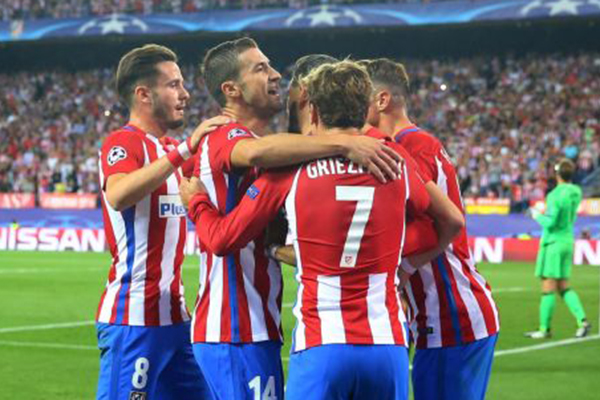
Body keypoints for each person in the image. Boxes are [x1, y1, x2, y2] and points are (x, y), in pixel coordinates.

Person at [181, 60, 464, 400]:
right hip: (386, 343)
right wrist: (400, 264)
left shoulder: (289, 169)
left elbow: (222, 239)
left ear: (312, 111)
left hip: (321, 344)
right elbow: (451, 222)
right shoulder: (394, 161)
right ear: (366, 109)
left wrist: (197, 202)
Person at [362, 58, 500, 400]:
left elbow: (439, 224)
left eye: (358, 96)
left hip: (452, 317)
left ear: (381, 100)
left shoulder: (411, 147)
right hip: (439, 319)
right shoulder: (412, 143)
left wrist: (399, 268)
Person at [95, 43, 227, 400]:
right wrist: (184, 149)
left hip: (175, 321)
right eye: (173, 85)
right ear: (143, 94)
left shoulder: (169, 148)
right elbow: (118, 194)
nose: (185, 94)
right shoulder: (123, 142)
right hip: (133, 320)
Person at [526, 158, 590, 339]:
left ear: (557, 174)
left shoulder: (554, 195)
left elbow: (551, 223)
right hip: (568, 241)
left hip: (553, 243)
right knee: (563, 286)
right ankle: (582, 321)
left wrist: (535, 214)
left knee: (548, 285)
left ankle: (544, 329)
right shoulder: (576, 192)